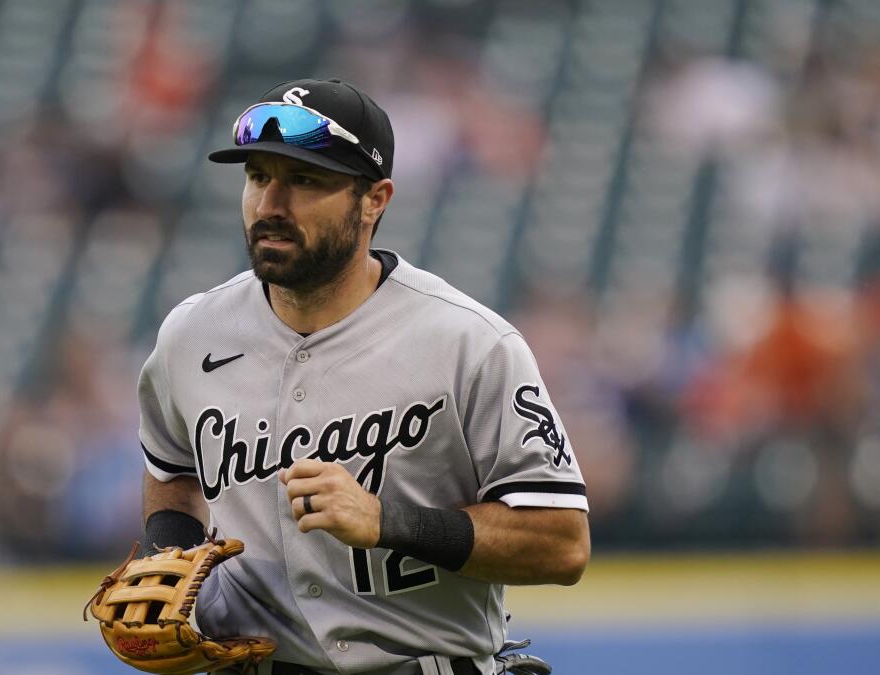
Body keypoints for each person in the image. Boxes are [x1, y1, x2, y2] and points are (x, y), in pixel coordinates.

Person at [137, 78, 590, 675]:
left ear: (375, 199)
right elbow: (172, 474)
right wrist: (164, 559)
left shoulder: (469, 343)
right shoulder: (192, 336)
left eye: (304, 181)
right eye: (257, 177)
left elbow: (562, 544)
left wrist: (389, 523)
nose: (271, 204)